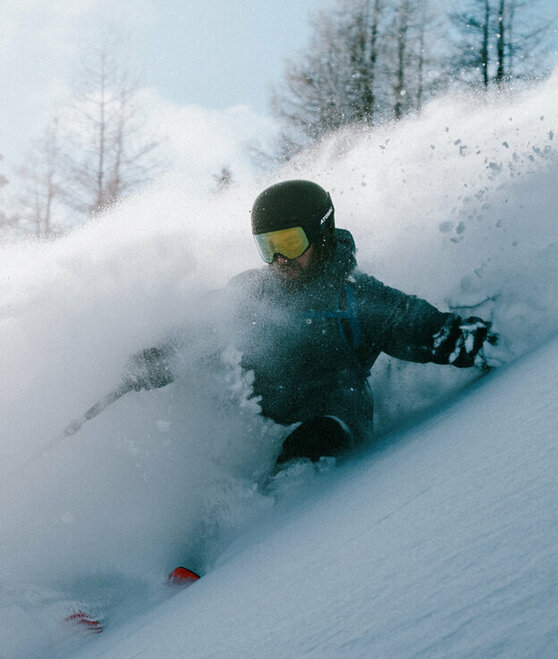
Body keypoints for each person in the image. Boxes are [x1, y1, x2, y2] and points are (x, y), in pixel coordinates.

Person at [122, 179, 496, 466]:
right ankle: (203, 551)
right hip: (262, 416)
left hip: (333, 417)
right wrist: (157, 359)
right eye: (269, 247)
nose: (281, 259)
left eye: (290, 242)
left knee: (310, 443)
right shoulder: (252, 293)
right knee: (208, 444)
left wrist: (468, 341)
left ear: (322, 233)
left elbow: (417, 326)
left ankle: (283, 537)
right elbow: (203, 328)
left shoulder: (357, 298)